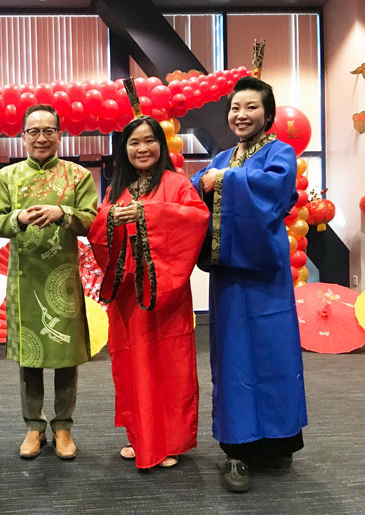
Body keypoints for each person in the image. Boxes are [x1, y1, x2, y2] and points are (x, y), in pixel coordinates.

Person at [191, 76, 307, 493]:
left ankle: (280, 441)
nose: (241, 114)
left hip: (267, 274)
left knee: (276, 356)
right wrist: (207, 181)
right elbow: (195, 192)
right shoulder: (222, 156)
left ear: (268, 114)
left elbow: (275, 190)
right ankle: (236, 450)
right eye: (235, 107)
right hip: (230, 277)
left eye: (251, 107)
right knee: (235, 360)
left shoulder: (281, 152)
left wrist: (223, 181)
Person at [88, 117, 209, 470]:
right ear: (123, 150)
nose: (142, 149)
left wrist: (147, 213)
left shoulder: (177, 183)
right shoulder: (117, 189)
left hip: (165, 293)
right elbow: (99, 226)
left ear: (161, 144)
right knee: (131, 365)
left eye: (149, 141)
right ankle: (139, 436)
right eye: (133, 143)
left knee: (168, 365)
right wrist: (111, 218)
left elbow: (195, 220)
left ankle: (169, 440)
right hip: (128, 292)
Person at [0, 104, 98, 460]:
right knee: (30, 359)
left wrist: (62, 213)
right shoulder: (6, 178)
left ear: (59, 135)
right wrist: (18, 217)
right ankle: (33, 427)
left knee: (66, 356)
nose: (41, 137)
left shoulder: (78, 175)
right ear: (23, 137)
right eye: (33, 131)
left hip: (62, 277)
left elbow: (91, 220)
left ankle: (63, 426)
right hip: (25, 280)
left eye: (48, 130)